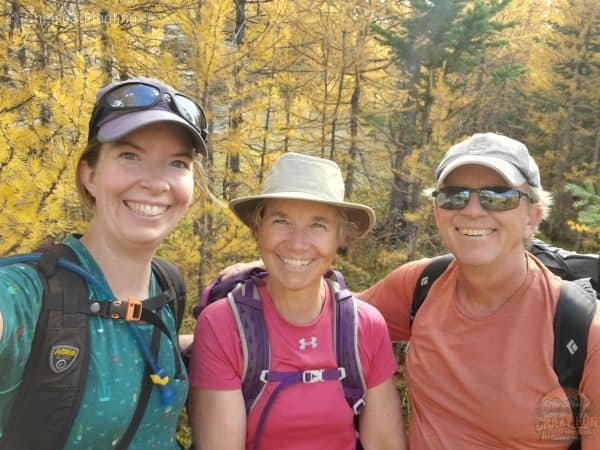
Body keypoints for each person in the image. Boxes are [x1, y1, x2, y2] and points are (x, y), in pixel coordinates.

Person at [0, 77, 208, 449]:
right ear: (90, 174)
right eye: (130, 156)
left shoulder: (167, 287)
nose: (157, 183)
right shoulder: (27, 293)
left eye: (177, 162)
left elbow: (126, 339)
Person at [360, 132, 600, 449]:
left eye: (498, 196)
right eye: (454, 196)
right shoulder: (421, 285)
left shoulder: (583, 333)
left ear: (533, 216)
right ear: (437, 212)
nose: (472, 210)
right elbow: (327, 315)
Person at [189, 153, 407, 450]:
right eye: (281, 221)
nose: (297, 243)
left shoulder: (365, 326)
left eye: (318, 225)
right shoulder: (223, 325)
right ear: (258, 230)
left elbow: (384, 444)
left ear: (340, 238)